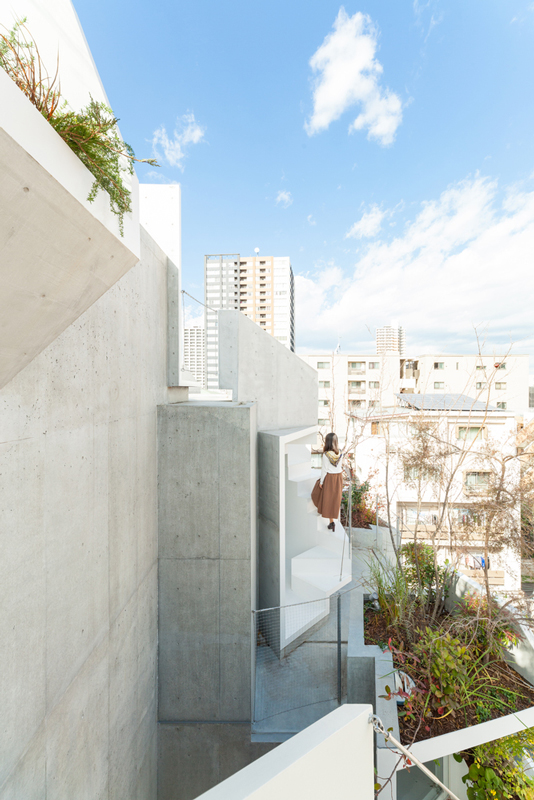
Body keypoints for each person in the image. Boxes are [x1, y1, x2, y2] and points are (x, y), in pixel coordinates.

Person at [311, 432, 345, 531]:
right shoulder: (340, 452)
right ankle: (331, 522)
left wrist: (321, 482)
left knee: (321, 495)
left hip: (330, 478)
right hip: (339, 478)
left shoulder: (326, 455)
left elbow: (324, 470)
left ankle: (326, 514)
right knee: (334, 499)